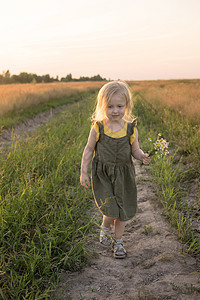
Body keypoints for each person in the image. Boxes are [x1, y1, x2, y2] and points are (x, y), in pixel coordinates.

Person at [80, 81, 151, 259]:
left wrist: (141, 156)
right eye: (110, 106)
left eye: (119, 106)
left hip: (124, 175)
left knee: (123, 210)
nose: (115, 110)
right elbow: (89, 149)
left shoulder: (130, 128)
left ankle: (118, 243)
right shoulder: (98, 127)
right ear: (103, 106)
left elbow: (135, 149)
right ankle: (105, 227)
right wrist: (83, 172)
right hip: (103, 174)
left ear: (126, 105)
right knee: (110, 209)